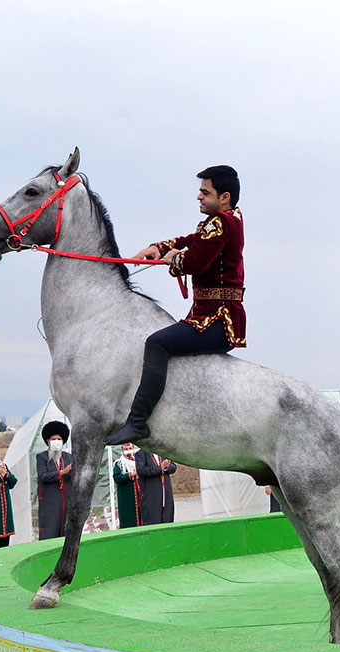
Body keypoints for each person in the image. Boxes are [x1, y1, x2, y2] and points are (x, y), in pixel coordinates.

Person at [105, 165, 246, 445]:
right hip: (211, 316)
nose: (199, 197)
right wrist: (160, 246)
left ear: (225, 197)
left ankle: (138, 422)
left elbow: (194, 260)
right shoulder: (226, 220)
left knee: (157, 344)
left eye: (205, 192)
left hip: (217, 321)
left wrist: (174, 259)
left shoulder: (220, 223)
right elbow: (193, 241)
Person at [36, 421, 72, 540]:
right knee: (49, 531)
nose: (57, 442)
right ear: (48, 441)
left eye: (59, 439)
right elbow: (43, 476)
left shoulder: (68, 457)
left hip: (66, 501)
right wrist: (63, 472)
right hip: (49, 502)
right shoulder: (42, 457)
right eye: (53, 439)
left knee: (66, 531)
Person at [135, 448, 176, 525]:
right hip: (151, 496)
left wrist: (166, 467)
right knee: (153, 521)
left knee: (168, 520)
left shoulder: (164, 452)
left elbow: (174, 467)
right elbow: (141, 470)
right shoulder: (140, 454)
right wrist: (160, 468)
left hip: (166, 495)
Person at [112, 443, 141, 529]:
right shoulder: (119, 464)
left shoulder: (138, 462)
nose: (128, 451)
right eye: (126, 449)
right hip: (126, 495)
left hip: (138, 493)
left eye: (130, 448)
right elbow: (117, 478)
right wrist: (130, 474)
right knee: (128, 515)